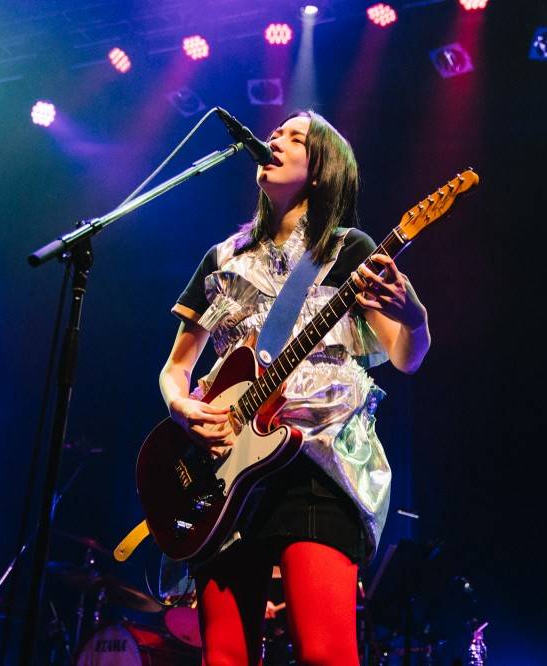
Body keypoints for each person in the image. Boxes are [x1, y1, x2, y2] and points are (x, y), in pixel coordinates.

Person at [159, 111, 430, 665]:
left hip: (315, 463)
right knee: (224, 658)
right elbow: (176, 368)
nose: (274, 139)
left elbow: (406, 357)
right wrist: (182, 409)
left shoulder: (348, 249)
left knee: (325, 654)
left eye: (294, 137)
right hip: (226, 470)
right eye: (275, 132)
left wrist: (416, 318)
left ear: (322, 168)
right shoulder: (223, 259)